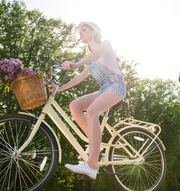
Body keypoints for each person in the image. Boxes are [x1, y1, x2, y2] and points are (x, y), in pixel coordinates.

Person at [51, 22, 126, 179]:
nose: (80, 33)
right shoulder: (91, 62)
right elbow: (79, 78)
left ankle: (92, 165)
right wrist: (60, 89)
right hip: (105, 89)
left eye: (83, 30)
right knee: (75, 105)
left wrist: (75, 64)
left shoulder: (105, 45)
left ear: (94, 32)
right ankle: (94, 146)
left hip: (116, 86)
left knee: (92, 110)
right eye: (79, 31)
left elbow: (96, 54)